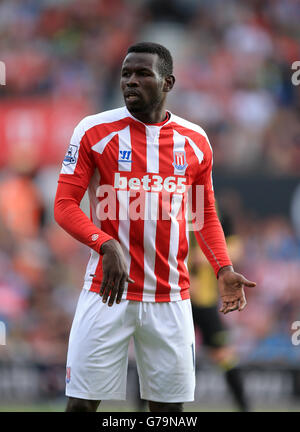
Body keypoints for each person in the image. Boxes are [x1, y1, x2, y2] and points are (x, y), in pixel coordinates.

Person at [54, 42, 256, 412]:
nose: (131, 81)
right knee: (81, 406)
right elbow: (65, 205)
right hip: (107, 292)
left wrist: (223, 268)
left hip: (172, 298)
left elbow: (205, 214)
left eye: (143, 73)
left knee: (167, 412)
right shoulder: (93, 131)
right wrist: (105, 244)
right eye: (126, 74)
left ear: (168, 82)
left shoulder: (194, 141)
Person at [189, 212, 250, 412]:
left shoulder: (218, 211)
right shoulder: (170, 204)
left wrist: (206, 258)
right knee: (156, 352)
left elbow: (237, 249)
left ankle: (244, 407)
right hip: (175, 298)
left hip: (205, 302)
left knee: (224, 354)